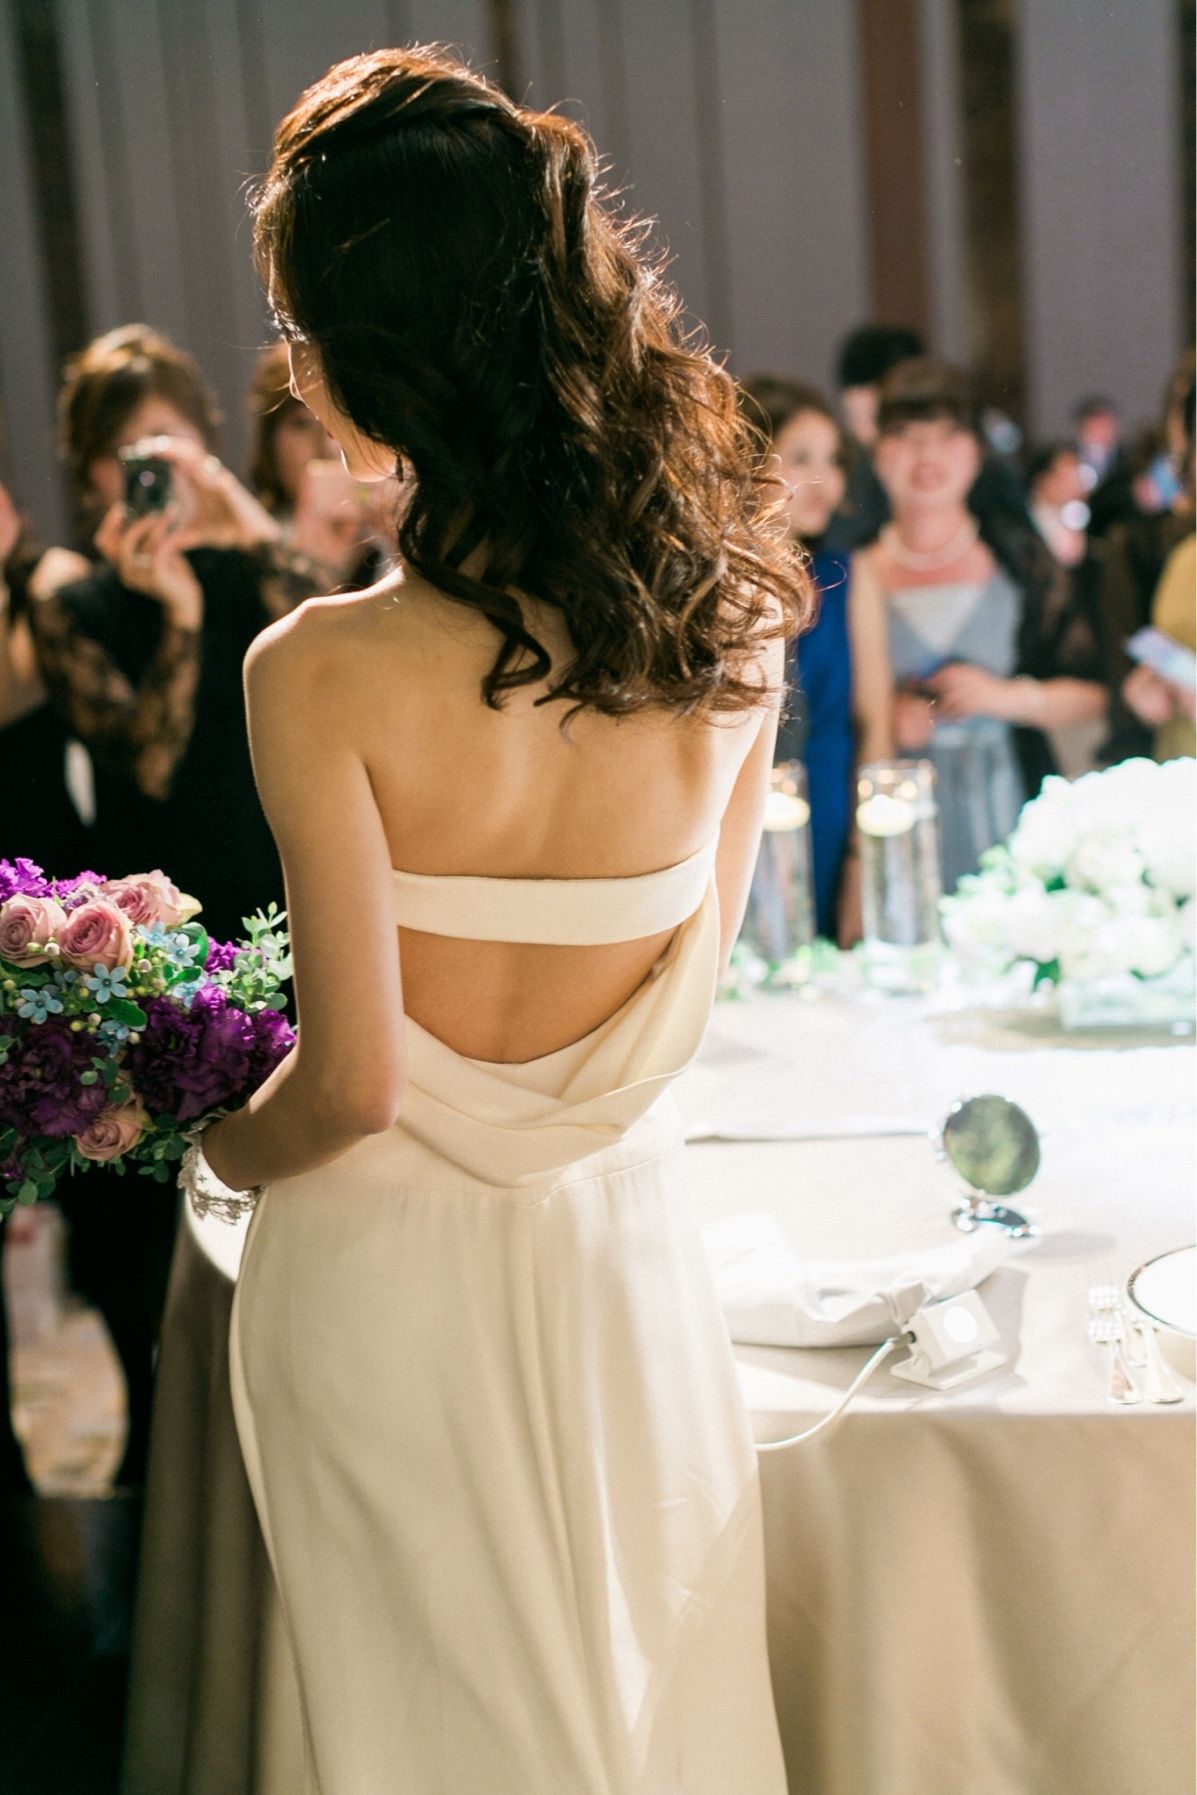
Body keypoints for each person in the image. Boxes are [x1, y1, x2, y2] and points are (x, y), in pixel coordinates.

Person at [183, 45, 803, 1794]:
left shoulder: (315, 670)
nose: (291, 365)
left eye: (300, 325)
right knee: (643, 1719)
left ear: (375, 355)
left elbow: (354, 1087)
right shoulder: (735, 622)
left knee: (414, 1734)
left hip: (380, 1293)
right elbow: (692, 989)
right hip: (621, 1273)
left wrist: (211, 1145)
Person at [850, 359, 1106, 891]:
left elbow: (1096, 694)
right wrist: (885, 717)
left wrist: (1005, 698)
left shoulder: (1018, 561)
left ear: (976, 453)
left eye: (948, 434)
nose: (927, 455)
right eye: (907, 435)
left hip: (1009, 805)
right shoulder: (850, 573)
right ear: (878, 452)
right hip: (900, 822)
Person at [740, 374, 856, 939]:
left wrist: (860, 857)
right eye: (801, 458)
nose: (823, 481)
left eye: (832, 461)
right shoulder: (718, 587)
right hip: (742, 813)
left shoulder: (841, 578)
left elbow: (869, 724)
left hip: (830, 804)